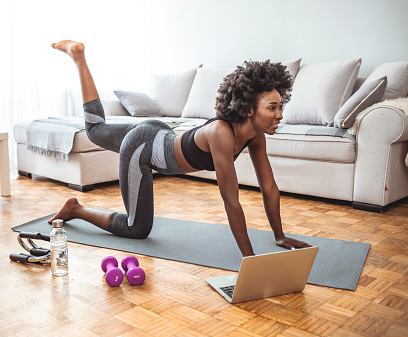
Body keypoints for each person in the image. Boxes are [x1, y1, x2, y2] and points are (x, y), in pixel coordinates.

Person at [49, 40, 311, 257]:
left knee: (95, 131)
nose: (279, 115)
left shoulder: (255, 137)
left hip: (156, 132)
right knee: (137, 228)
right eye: (272, 107)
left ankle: (77, 57)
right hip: (141, 148)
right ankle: (76, 210)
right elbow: (231, 199)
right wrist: (251, 260)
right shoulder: (222, 133)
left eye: (280, 106)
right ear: (250, 108)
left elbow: (269, 188)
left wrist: (279, 237)